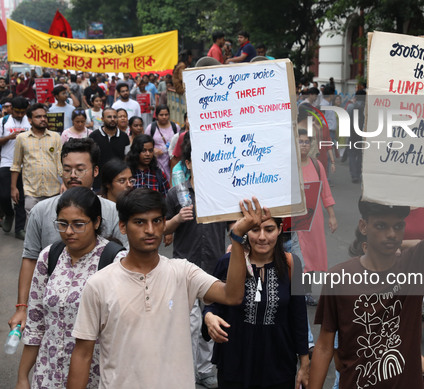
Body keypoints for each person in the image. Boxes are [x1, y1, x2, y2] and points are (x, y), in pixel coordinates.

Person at [66, 189, 262, 389]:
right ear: (123, 226)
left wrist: (237, 237)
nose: (150, 230)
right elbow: (82, 354)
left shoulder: (182, 272)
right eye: (140, 222)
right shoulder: (99, 284)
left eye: (157, 221)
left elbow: (232, 295)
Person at [308, 200, 424, 388]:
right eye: (381, 226)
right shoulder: (338, 278)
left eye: (398, 226)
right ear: (363, 226)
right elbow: (325, 346)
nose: (391, 234)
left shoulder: (413, 265)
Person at [7, 138, 127, 331]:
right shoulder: (41, 211)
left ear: (95, 171)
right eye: (67, 169)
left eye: (80, 169)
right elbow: (30, 258)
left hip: (101, 312)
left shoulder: (113, 211)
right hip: (52, 311)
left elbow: (124, 264)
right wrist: (22, 307)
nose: (73, 175)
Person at [15, 187, 115, 388]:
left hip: (95, 378)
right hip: (48, 374)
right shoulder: (48, 256)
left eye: (78, 224)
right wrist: (23, 376)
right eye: (63, 224)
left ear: (96, 222)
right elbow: (36, 324)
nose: (69, 231)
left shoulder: (114, 261)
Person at [204, 216, 309, 388]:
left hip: (278, 365)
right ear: (245, 231)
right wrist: (209, 316)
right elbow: (212, 304)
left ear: (280, 229)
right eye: (255, 230)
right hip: (235, 363)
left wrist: (304, 363)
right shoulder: (227, 263)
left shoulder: (293, 264)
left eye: (269, 230)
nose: (262, 237)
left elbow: (299, 316)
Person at [164, 135, 227, 388]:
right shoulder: (175, 194)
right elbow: (161, 230)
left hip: (214, 264)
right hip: (184, 266)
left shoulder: (222, 193)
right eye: (198, 160)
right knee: (187, 323)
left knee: (210, 320)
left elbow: (234, 225)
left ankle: (205, 369)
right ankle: (186, 372)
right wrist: (177, 219)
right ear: (188, 164)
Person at [296, 130, 337, 300]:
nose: (304, 145)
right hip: (294, 219)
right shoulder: (289, 166)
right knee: (297, 253)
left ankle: (307, 291)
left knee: (311, 254)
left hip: (314, 219)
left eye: (307, 142)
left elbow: (325, 192)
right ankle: (295, 292)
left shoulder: (316, 165)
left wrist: (332, 216)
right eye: (300, 141)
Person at [11, 103, 62, 215]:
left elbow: (60, 163)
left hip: (53, 190)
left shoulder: (55, 137)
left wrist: (65, 183)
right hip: (31, 190)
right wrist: (13, 188)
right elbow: (16, 164)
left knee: (52, 223)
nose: (43, 119)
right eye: (38, 117)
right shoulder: (22, 138)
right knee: (33, 223)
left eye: (44, 116)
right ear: (30, 120)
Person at [0, 97, 29, 239]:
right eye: (17, 112)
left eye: (22, 112)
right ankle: (9, 214)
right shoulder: (3, 121)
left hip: (25, 164)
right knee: (4, 195)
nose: (19, 115)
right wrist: (8, 137)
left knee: (21, 199)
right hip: (7, 162)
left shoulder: (29, 120)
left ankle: (19, 229)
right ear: (11, 109)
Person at [88, 108, 130, 190]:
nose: (113, 119)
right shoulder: (93, 136)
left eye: (115, 117)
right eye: (109, 117)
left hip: (118, 182)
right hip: (98, 183)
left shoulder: (124, 137)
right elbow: (90, 159)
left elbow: (127, 158)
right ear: (103, 119)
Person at [144, 104, 177, 179]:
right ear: (156, 115)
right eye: (161, 115)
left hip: (171, 162)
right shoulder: (151, 128)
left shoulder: (175, 127)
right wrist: (153, 150)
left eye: (166, 114)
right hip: (156, 163)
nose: (164, 117)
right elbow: (144, 143)